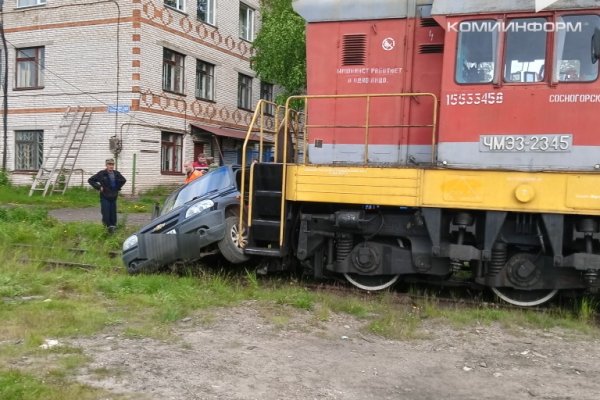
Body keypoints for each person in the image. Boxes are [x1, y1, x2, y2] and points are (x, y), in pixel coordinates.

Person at [88, 158, 126, 233]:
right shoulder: (101, 174)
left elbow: (123, 180)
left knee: (113, 213)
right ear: (106, 165)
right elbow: (90, 180)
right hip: (105, 197)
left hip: (113, 197)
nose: (111, 166)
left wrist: (117, 188)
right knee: (106, 213)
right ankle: (106, 229)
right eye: (109, 164)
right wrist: (99, 187)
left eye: (112, 164)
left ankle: (113, 228)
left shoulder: (116, 173)